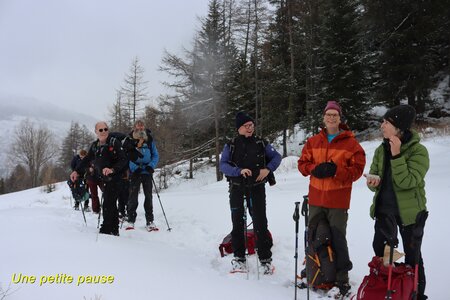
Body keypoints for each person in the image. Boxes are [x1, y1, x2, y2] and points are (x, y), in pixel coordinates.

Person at [298, 101, 366, 297]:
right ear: (323, 118)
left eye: (335, 115)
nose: (331, 118)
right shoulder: (313, 141)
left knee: (337, 239)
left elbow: (357, 171)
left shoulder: (351, 143)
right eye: (328, 114)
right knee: (313, 236)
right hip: (316, 199)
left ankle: (341, 279)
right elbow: (302, 164)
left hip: (338, 201)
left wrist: (336, 170)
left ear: (340, 118)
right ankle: (312, 269)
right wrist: (313, 169)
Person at [365, 104, 429, 299]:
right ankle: (389, 290)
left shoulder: (419, 151)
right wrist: (373, 181)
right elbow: (375, 179)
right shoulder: (380, 149)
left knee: (413, 259)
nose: (382, 126)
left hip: (410, 215)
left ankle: (415, 294)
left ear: (399, 127)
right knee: (382, 255)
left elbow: (407, 181)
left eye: (386, 122)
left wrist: (397, 155)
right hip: (385, 212)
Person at [219, 112, 282, 274]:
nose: (250, 129)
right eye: (246, 126)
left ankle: (265, 260)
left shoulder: (261, 142)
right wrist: (238, 171)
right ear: (239, 128)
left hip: (257, 187)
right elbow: (223, 165)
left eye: (252, 126)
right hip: (237, 188)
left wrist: (267, 169)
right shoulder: (231, 145)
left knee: (260, 222)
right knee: (237, 222)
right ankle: (239, 259)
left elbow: (276, 157)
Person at [70, 121, 128, 236]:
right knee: (109, 203)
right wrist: (76, 171)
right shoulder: (95, 145)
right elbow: (86, 160)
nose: (103, 132)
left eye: (105, 129)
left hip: (116, 178)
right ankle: (113, 229)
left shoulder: (114, 142)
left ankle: (106, 229)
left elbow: (123, 160)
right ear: (96, 132)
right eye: (100, 130)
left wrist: (112, 169)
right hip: (104, 179)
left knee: (108, 203)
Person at [126, 120, 159, 231]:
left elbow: (155, 155)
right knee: (133, 196)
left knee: (148, 196)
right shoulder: (130, 139)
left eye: (142, 126)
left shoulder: (149, 139)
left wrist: (151, 166)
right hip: (135, 172)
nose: (140, 128)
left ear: (144, 127)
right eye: (138, 126)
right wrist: (134, 168)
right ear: (135, 127)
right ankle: (130, 220)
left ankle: (150, 221)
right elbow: (126, 156)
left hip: (147, 171)